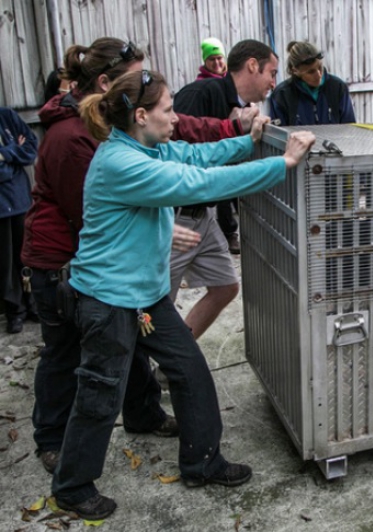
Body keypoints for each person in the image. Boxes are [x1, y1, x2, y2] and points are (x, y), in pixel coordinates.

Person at [50, 68, 314, 520]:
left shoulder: (145, 146)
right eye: (168, 110)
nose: (176, 118)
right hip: (109, 299)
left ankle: (200, 461)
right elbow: (199, 184)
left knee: (189, 370)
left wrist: (246, 140)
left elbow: (195, 157)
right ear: (139, 115)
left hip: (144, 296)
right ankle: (72, 486)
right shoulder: (121, 163)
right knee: (99, 393)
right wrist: (281, 165)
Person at [21, 37, 248, 475]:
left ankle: (155, 426)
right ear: (112, 87)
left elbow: (184, 146)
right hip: (69, 268)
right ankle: (59, 451)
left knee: (154, 364)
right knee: (76, 367)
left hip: (130, 284)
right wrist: (162, 226)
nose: (172, 115)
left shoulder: (120, 133)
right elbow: (94, 213)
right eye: (135, 78)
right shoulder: (76, 140)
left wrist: (234, 133)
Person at [171, 39, 278, 339]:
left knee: (226, 286)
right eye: (272, 72)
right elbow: (175, 153)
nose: (273, 82)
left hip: (203, 215)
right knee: (154, 308)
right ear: (252, 66)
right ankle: (147, 373)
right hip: (175, 218)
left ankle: (177, 358)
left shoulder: (243, 110)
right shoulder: (199, 94)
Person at [0, 107, 38, 334]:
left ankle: (34, 305)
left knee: (28, 256)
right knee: (5, 263)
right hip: (1, 208)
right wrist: (15, 150)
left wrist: (5, 154)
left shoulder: (7, 116)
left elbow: (31, 149)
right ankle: (15, 311)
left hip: (20, 199)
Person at [269, 40, 356, 125]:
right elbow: (278, 136)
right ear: (295, 71)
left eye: (320, 67)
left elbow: (350, 129)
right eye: (311, 72)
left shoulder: (338, 88)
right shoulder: (281, 95)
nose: (318, 75)